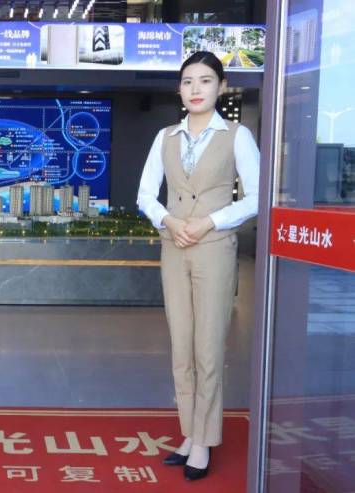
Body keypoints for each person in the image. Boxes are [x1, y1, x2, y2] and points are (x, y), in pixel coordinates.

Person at [136, 51, 259, 481]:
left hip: (215, 248)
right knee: (181, 348)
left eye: (205, 80)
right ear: (179, 89)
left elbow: (256, 197)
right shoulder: (165, 136)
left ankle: (204, 440)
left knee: (208, 348)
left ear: (221, 87)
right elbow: (145, 194)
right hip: (174, 247)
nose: (195, 89)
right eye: (188, 81)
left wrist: (209, 221)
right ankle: (190, 433)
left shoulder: (236, 135)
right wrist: (169, 221)